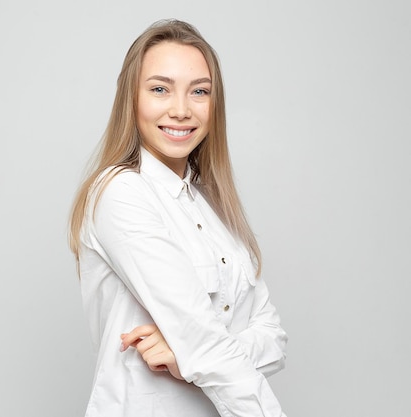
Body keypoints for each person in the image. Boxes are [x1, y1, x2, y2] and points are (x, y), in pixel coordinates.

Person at [68, 19, 288, 417]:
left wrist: (185, 353)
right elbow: (204, 344)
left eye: (199, 91)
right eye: (159, 89)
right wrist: (197, 349)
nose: (182, 110)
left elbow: (274, 339)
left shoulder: (214, 206)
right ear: (130, 99)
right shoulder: (120, 193)